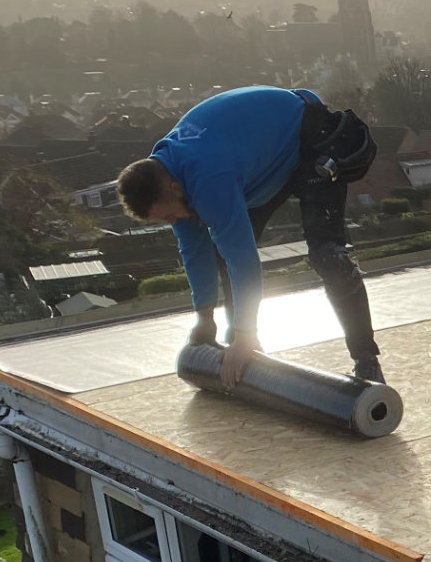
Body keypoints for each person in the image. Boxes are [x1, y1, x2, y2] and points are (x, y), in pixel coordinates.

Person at [116, 87, 381, 389]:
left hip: (310, 139)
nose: (172, 222)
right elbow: (194, 250)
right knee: (221, 253)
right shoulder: (166, 175)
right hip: (263, 162)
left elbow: (243, 260)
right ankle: (247, 354)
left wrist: (244, 334)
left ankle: (366, 360)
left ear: (175, 188)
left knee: (328, 257)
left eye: (169, 216)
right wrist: (204, 317)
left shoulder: (207, 176)